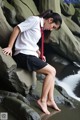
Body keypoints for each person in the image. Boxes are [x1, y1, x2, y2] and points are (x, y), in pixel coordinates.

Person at [3, 9, 62, 115]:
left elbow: (30, 42)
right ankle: (43, 100)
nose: (51, 29)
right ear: (50, 20)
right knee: (51, 71)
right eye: (53, 27)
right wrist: (9, 47)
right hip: (23, 55)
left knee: (52, 72)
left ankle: (50, 100)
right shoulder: (34, 20)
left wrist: (39, 53)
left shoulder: (40, 27)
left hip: (30, 55)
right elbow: (17, 28)